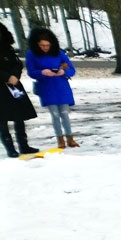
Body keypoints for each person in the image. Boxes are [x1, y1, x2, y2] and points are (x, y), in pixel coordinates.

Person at [25, 27, 79, 149]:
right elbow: (31, 72)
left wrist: (63, 72)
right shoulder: (32, 54)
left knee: (65, 114)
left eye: (47, 45)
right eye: (42, 45)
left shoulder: (59, 53)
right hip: (47, 88)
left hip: (61, 87)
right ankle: (60, 139)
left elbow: (71, 70)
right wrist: (42, 72)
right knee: (55, 115)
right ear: (36, 44)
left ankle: (70, 138)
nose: (45, 48)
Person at [0, 22, 39, 158]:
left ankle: (24, 145)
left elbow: (17, 64)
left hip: (14, 86)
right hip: (2, 87)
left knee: (19, 117)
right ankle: (10, 148)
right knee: (2, 120)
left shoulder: (8, 48)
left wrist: (15, 75)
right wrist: (6, 76)